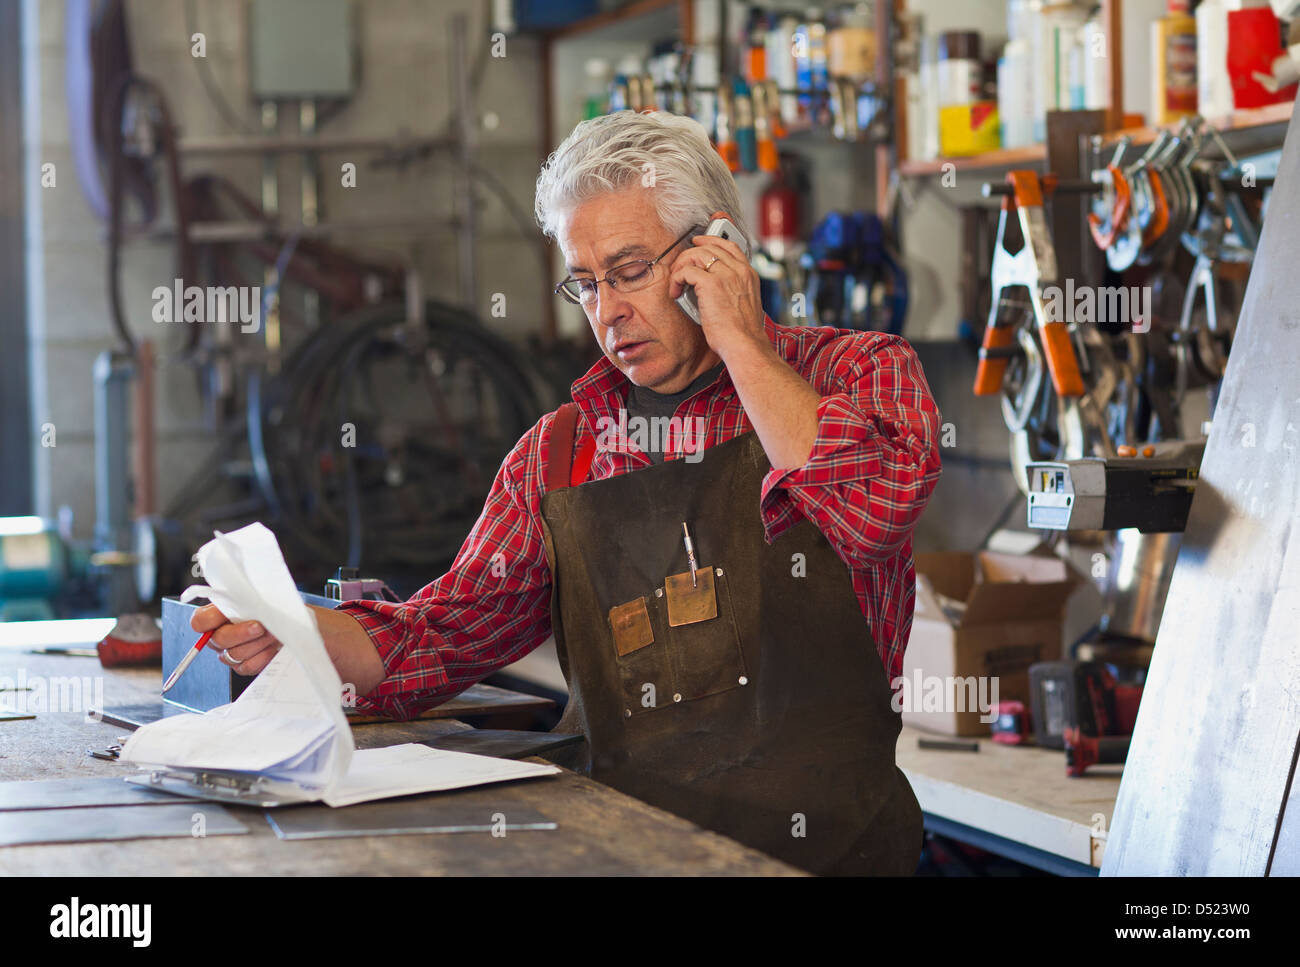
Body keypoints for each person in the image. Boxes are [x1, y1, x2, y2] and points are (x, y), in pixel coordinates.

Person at [192, 110, 943, 874]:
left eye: (629, 270)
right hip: (629, 853)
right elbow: (440, 635)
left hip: (829, 855)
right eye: (585, 283)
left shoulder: (860, 374)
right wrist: (295, 634)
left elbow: (871, 515)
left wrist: (740, 341)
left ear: (717, 252)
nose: (607, 310)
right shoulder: (559, 452)